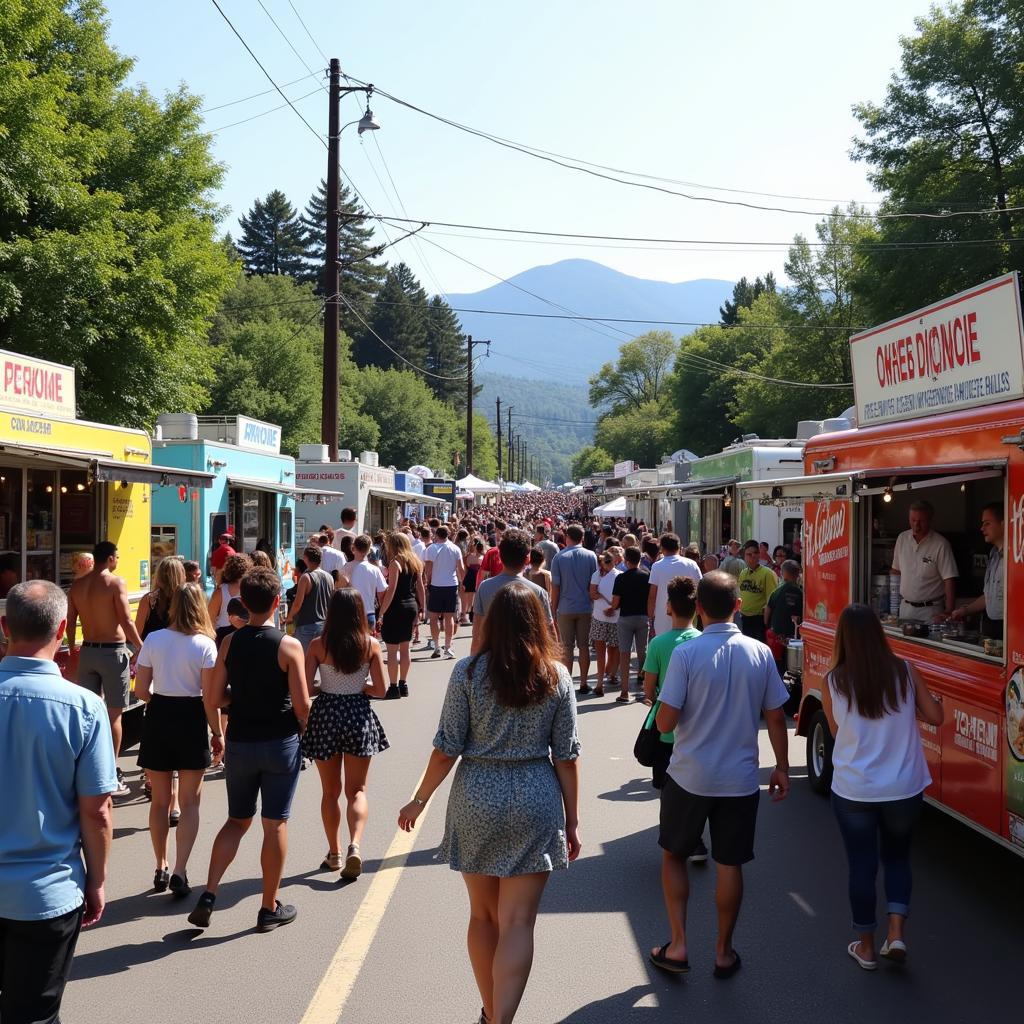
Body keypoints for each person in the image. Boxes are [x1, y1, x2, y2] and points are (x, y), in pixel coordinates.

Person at [398, 584, 581, 1024]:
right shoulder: (555, 677)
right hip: (536, 795)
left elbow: (446, 748)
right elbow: (568, 756)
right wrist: (572, 821)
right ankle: (503, 1017)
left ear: (492, 623)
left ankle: (491, 1013)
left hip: (477, 794)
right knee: (517, 922)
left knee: (483, 917)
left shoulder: (466, 673)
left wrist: (418, 801)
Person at [651, 571, 791, 979]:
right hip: (740, 778)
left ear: (697, 609)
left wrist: (663, 707)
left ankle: (677, 945)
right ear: (736, 606)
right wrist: (781, 766)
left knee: (674, 854)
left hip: (689, 774)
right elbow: (776, 716)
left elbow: (664, 723)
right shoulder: (760, 652)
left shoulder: (686, 655)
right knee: (731, 863)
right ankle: (723, 951)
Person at [0, 581, 116, 1024]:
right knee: (34, 1014)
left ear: (5, 626)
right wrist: (97, 880)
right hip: (46, 893)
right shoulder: (83, 708)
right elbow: (96, 810)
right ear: (64, 628)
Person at [820, 604, 944, 970]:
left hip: (855, 790)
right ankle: (897, 934)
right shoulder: (905, 671)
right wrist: (924, 704)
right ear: (879, 633)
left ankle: (867, 947)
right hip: (904, 788)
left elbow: (836, 731)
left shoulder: (833, 680)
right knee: (898, 858)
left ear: (843, 638)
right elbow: (936, 717)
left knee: (861, 866)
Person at [188, 568, 310, 933]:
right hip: (279, 742)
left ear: (243, 603)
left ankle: (209, 894)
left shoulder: (230, 643)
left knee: (236, 821)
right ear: (277, 602)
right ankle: (268, 906)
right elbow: (302, 706)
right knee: (275, 824)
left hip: (240, 742)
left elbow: (214, 697)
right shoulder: (288, 645)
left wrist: (238, 700)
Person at [135, 583, 220, 899]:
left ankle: (161, 865)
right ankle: (181, 870)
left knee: (159, 801)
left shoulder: (154, 639)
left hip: (159, 716)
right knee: (189, 802)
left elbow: (141, 689)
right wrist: (218, 733)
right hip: (191, 717)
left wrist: (157, 697)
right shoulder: (205, 645)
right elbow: (210, 698)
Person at [303, 588, 388, 880]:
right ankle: (355, 844)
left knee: (330, 792)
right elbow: (381, 689)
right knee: (358, 791)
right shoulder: (370, 645)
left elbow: (304, 688)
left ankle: (335, 852)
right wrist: (359, 687)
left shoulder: (318, 645)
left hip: (326, 713)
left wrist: (324, 688)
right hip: (357, 714)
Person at [67, 540, 144, 797]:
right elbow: (125, 618)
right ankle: (110, 771)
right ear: (110, 558)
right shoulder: (114, 583)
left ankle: (85, 766)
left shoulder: (77, 586)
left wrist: (73, 651)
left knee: (87, 713)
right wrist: (141, 646)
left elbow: (70, 623)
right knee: (114, 714)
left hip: (88, 649)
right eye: (117, 556)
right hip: (112, 651)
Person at [641, 577, 702, 793]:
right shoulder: (702, 641)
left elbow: (648, 691)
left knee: (667, 793)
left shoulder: (657, 643)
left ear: (669, 607)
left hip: (666, 731)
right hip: (698, 731)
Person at [471, 530, 554, 655]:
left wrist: (473, 663)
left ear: (500, 556)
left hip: (493, 659)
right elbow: (550, 632)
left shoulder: (484, 588)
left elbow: (477, 633)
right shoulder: (539, 592)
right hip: (528, 660)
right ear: (528, 559)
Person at [550, 524, 599, 694]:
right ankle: (584, 682)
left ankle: (567, 682)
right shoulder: (591, 555)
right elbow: (594, 584)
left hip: (565, 607)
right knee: (584, 646)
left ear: (567, 537)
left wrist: (553, 608)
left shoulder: (559, 557)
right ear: (582, 538)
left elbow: (555, 586)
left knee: (567, 647)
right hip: (585, 606)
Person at [891, 500, 957, 623]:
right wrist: (892, 606)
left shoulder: (941, 544)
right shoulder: (902, 538)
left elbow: (949, 579)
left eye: (921, 521)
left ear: (930, 520)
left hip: (931, 610)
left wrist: (948, 611)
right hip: (905, 608)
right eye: (913, 520)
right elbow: (895, 572)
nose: (916, 525)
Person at [377, 532, 425, 700]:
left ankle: (393, 686)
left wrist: (381, 612)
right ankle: (404, 683)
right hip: (411, 605)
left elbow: (391, 589)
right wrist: (422, 607)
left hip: (396, 607)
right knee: (405, 649)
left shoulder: (395, 563)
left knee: (392, 651)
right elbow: (420, 587)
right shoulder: (415, 562)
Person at [950, 502, 1004, 638]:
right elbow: (988, 596)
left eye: (987, 523)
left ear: (1003, 524)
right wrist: (964, 610)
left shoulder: (1016, 557)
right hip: (991, 627)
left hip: (1010, 628)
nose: (981, 528)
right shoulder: (993, 554)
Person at [610, 546, 650, 698]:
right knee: (642, 653)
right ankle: (644, 686)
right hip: (643, 617)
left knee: (624, 653)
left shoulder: (620, 578)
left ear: (626, 561)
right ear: (640, 560)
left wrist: (612, 607)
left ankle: (624, 690)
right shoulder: (647, 576)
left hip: (625, 617)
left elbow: (615, 603)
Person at [647, 533, 702, 637]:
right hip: (688, 615)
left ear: (661, 548)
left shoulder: (657, 566)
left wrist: (650, 617)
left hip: (662, 618)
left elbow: (652, 595)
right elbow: (701, 588)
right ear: (679, 547)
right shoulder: (692, 564)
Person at [283, 545, 334, 653]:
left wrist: (289, 617)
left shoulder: (306, 577)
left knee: (304, 661)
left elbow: (297, 603)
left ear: (306, 558)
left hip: (306, 626)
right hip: (324, 625)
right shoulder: (329, 577)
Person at [424, 525, 465, 660]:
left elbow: (428, 569)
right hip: (451, 585)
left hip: (436, 585)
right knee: (449, 618)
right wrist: (462, 582)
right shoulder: (455, 548)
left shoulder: (431, 549)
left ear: (436, 534)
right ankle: (447, 647)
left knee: (434, 617)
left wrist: (428, 581)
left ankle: (436, 646)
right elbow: (461, 568)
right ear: (448, 535)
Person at [588, 552, 621, 697]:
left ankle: (601, 681)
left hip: (601, 617)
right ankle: (610, 676)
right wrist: (613, 607)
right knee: (613, 649)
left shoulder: (597, 575)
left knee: (604, 651)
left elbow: (592, 594)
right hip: (613, 617)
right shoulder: (619, 575)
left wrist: (606, 603)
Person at [343, 535, 389, 633]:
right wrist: (381, 614)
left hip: (350, 612)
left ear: (353, 548)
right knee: (368, 646)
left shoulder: (346, 568)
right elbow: (382, 593)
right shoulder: (375, 569)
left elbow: (339, 590)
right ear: (369, 550)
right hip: (369, 612)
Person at [136, 556, 187, 641]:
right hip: (180, 651)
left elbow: (137, 632)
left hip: (154, 651)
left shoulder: (149, 600)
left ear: (159, 576)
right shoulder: (186, 599)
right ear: (181, 576)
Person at [765, 559, 803, 669]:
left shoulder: (777, 591)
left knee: (776, 664)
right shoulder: (801, 592)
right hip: (794, 635)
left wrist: (767, 624)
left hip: (777, 634)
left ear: (782, 573)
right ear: (797, 574)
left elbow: (768, 610)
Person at [737, 540, 778, 642]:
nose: (752, 557)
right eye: (749, 554)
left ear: (759, 555)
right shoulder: (743, 573)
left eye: (755, 553)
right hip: (744, 617)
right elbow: (740, 592)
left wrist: (766, 621)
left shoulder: (767, 573)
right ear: (744, 556)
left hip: (759, 618)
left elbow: (772, 598)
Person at [208, 553, 251, 631]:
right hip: (244, 632)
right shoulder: (250, 589)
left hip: (222, 633)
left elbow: (210, 618)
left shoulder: (220, 591)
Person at [461, 538, 484, 627]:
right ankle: (472, 615)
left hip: (470, 577)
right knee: (476, 598)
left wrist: (463, 581)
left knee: (469, 598)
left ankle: (468, 615)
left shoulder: (469, 557)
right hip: (477, 578)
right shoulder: (482, 558)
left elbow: (466, 568)